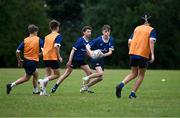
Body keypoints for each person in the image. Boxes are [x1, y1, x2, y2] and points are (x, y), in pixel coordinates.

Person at [116, 14, 156, 99]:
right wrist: (152, 54)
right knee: (141, 75)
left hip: (133, 53)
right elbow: (151, 41)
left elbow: (129, 41)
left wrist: (131, 50)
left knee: (133, 73)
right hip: (143, 54)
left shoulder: (137, 28)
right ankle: (132, 94)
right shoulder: (151, 30)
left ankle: (120, 85)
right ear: (150, 22)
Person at [51, 26, 93, 93]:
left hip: (82, 60)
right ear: (84, 32)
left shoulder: (87, 41)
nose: (89, 33)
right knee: (67, 74)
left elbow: (87, 52)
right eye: (88, 31)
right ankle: (55, 86)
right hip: (75, 60)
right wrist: (70, 61)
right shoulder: (80, 40)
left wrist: (93, 56)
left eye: (90, 31)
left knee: (90, 73)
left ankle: (85, 87)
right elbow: (73, 50)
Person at [6, 24, 43, 94]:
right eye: (37, 32)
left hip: (26, 61)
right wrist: (40, 54)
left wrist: (19, 60)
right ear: (35, 31)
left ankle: (35, 91)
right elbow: (43, 50)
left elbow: (17, 51)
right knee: (27, 78)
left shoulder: (25, 40)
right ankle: (11, 85)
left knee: (36, 74)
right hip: (32, 61)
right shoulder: (38, 39)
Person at [80, 25, 114, 93]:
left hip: (101, 59)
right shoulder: (98, 39)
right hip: (95, 58)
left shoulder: (111, 39)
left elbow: (110, 52)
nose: (107, 33)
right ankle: (87, 78)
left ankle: (86, 87)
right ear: (102, 32)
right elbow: (87, 46)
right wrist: (91, 52)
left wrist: (103, 54)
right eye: (105, 31)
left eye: (108, 31)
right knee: (100, 73)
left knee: (100, 78)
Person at [39, 20, 63, 96]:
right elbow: (56, 46)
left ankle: (42, 92)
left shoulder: (47, 36)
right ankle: (43, 81)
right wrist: (59, 56)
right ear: (57, 27)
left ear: (51, 27)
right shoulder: (58, 35)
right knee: (57, 75)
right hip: (52, 57)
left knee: (48, 74)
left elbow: (44, 47)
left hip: (45, 57)